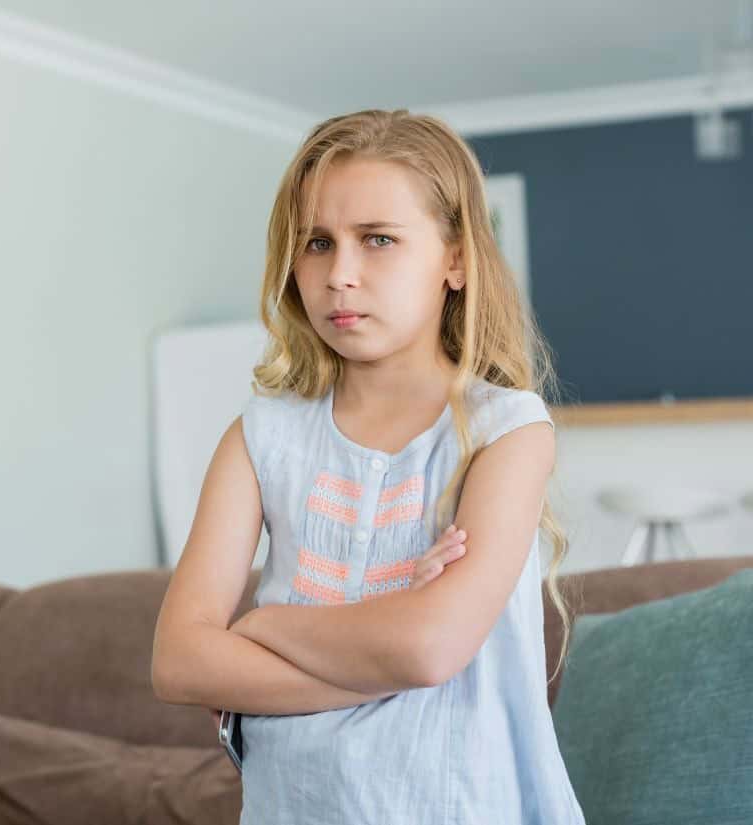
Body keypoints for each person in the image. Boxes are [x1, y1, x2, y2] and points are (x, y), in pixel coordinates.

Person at [151, 110, 584, 824]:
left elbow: (428, 646)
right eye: (317, 243)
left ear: (455, 259)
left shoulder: (506, 433)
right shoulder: (260, 439)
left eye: (377, 240)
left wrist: (261, 626)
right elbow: (179, 660)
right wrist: (375, 649)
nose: (339, 275)